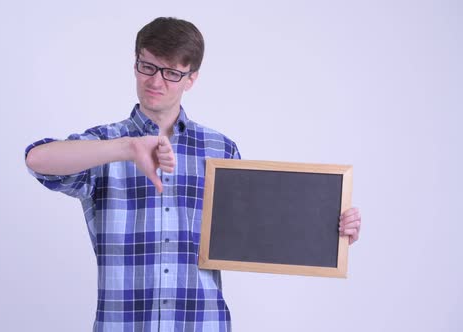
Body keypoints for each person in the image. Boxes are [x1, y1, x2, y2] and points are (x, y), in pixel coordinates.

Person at [25, 17, 361, 332]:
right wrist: (126, 148)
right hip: (124, 323)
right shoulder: (105, 144)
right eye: (147, 66)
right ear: (135, 65)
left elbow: (260, 232)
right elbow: (38, 159)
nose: (155, 81)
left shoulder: (221, 150)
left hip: (202, 322)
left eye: (171, 72)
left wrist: (330, 229)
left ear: (192, 78)